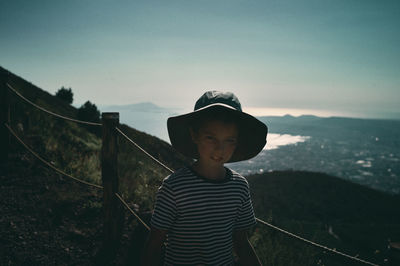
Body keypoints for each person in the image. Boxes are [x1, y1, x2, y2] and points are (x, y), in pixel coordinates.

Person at [141, 91, 268, 265]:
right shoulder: (174, 188)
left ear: (237, 141)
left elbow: (241, 243)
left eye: (229, 140)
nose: (219, 149)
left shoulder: (239, 187)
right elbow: (154, 244)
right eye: (211, 138)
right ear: (194, 135)